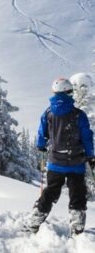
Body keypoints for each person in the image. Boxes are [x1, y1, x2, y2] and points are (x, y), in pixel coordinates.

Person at [25, 77, 95, 235]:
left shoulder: (48, 113)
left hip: (55, 162)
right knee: (77, 192)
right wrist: (91, 156)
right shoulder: (78, 115)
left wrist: (41, 146)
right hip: (76, 163)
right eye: (70, 91)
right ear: (67, 92)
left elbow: (42, 134)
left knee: (51, 190)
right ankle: (77, 225)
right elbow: (87, 137)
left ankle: (35, 219)